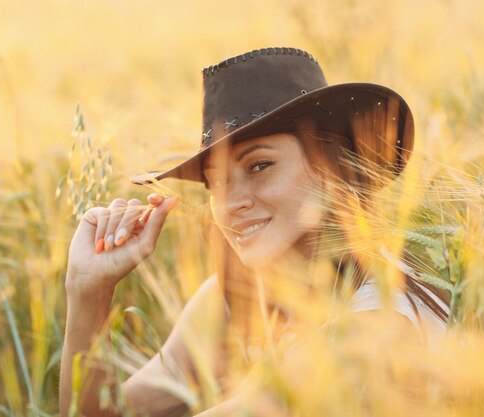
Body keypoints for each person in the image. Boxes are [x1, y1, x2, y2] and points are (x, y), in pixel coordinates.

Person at [59, 46, 448, 417]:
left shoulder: (380, 318)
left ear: (332, 169)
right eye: (217, 182)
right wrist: (88, 289)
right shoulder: (236, 298)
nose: (230, 204)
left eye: (259, 166)